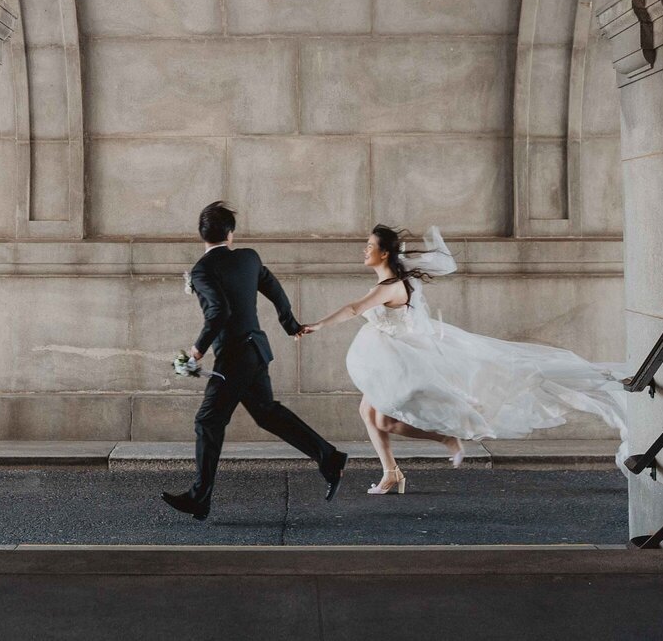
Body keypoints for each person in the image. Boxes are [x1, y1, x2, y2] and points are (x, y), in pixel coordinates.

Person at [300, 225, 626, 495]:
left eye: (369, 245)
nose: (364, 250)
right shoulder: (396, 282)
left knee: (383, 421)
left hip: (401, 362)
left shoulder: (391, 286)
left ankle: (443, 438)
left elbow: (355, 308)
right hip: (388, 358)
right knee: (367, 413)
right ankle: (392, 473)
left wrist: (316, 325)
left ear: (384, 253)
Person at [162, 201, 348, 520]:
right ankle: (329, 458)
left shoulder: (203, 270)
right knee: (266, 413)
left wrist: (196, 352)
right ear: (230, 234)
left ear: (201, 235)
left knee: (208, 421)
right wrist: (290, 324)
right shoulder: (249, 258)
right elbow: (273, 288)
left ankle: (199, 498)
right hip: (255, 350)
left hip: (234, 356)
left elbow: (219, 313)